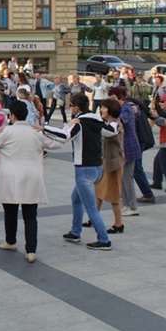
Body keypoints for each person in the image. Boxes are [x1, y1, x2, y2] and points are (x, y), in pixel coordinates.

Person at [0, 100, 63, 262]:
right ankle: (31, 250)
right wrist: (47, 129)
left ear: (13, 116)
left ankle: (11, 241)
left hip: (10, 176)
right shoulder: (35, 132)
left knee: (10, 211)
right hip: (33, 175)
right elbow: (58, 143)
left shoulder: (6, 132)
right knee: (30, 214)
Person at [43, 93, 119, 251]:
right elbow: (112, 131)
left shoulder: (79, 122)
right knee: (76, 199)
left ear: (76, 107)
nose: (70, 108)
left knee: (90, 207)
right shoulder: (97, 120)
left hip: (83, 169)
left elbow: (64, 137)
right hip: (97, 168)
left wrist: (44, 128)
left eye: (70, 105)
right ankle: (75, 232)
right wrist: (112, 119)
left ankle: (104, 240)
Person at [85, 99, 125, 234]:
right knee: (99, 191)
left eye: (103, 108)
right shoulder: (109, 123)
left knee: (113, 194)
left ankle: (119, 224)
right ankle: (93, 218)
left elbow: (106, 132)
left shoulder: (115, 125)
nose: (101, 110)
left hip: (114, 163)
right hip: (107, 162)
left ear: (110, 110)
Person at [107, 87, 142, 218]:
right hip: (125, 146)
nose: (112, 101)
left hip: (129, 147)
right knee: (123, 177)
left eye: (114, 98)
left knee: (127, 177)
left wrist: (109, 117)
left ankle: (133, 206)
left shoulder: (126, 108)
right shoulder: (126, 108)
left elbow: (120, 121)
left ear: (121, 97)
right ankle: (127, 204)